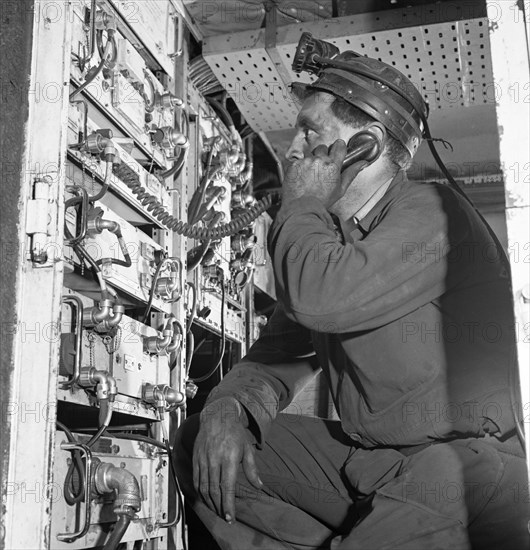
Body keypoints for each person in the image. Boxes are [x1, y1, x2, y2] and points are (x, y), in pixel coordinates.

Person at [174, 40, 529, 549]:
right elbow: (279, 353)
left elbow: (322, 299)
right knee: (201, 445)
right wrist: (228, 409)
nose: (294, 148)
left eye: (310, 132)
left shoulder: (434, 212)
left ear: (365, 145)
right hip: (371, 461)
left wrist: (301, 202)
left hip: (458, 467)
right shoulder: (336, 243)